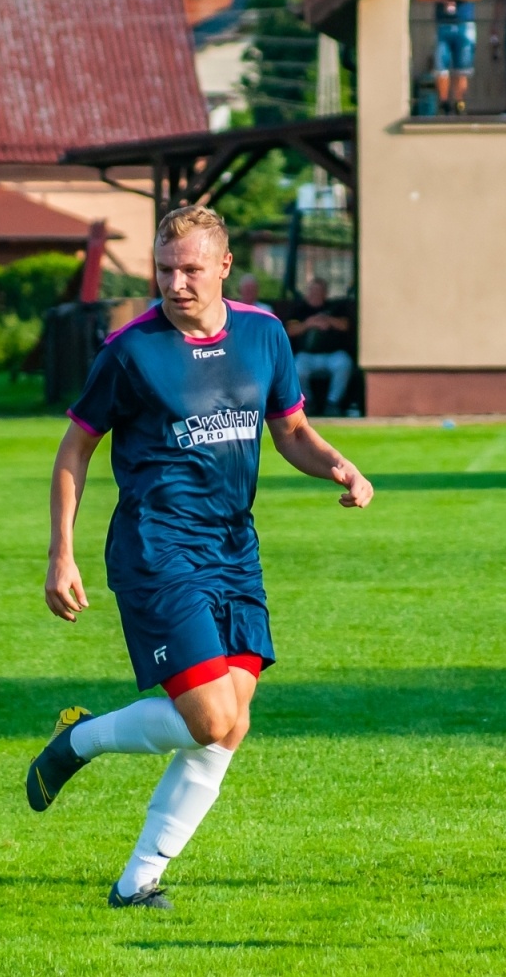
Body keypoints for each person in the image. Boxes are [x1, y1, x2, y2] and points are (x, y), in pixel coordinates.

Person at [27, 205, 373, 911]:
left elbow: (292, 430)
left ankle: (137, 882)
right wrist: (61, 553)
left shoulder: (264, 334)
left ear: (223, 267)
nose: (176, 283)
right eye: (163, 270)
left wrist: (337, 465)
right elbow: (75, 448)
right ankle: (80, 742)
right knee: (212, 720)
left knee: (229, 725)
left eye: (189, 269)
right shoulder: (129, 350)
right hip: (157, 549)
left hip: (234, 550)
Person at [416, 0, 484, 116]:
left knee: (463, 66)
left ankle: (459, 103)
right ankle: (444, 103)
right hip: (443, 24)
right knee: (441, 65)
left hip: (464, 24)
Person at [285, 278, 355, 416]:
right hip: (307, 356)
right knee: (297, 367)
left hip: (332, 355)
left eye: (320, 290)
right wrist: (309, 324)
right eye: (313, 290)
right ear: (308, 292)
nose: (316, 293)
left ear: (325, 293)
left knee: (344, 363)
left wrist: (328, 320)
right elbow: (289, 329)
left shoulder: (335, 307)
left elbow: (345, 325)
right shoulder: (300, 309)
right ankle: (307, 403)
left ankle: (332, 403)